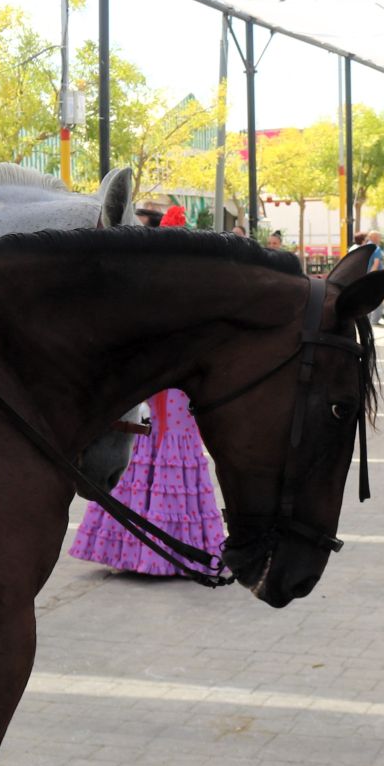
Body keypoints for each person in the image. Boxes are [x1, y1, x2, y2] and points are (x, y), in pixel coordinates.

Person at [70, 208, 225, 574]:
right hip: (170, 384)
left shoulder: (163, 286)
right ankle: (158, 551)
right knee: (157, 447)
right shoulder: (187, 287)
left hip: (163, 384)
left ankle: (140, 551)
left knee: (154, 448)